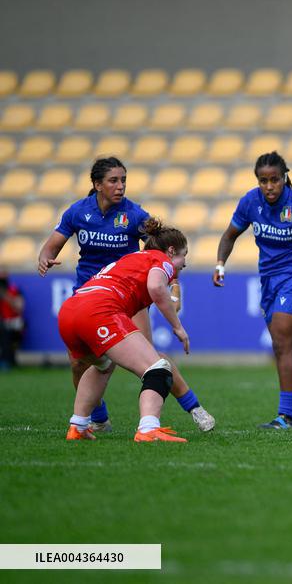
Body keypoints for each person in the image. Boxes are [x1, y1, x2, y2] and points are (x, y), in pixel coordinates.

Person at [38, 157, 214, 432]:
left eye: (123, 181)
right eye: (113, 181)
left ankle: (194, 408)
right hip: (89, 294)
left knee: (151, 357)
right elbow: (51, 247)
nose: (120, 187)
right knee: (80, 364)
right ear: (97, 185)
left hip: (128, 297)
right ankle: (97, 419)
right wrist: (45, 258)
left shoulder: (133, 215)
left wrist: (174, 287)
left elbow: (161, 253)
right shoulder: (78, 213)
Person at [214, 152, 292, 429]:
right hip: (269, 280)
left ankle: (286, 415)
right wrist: (220, 264)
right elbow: (229, 235)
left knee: (281, 342)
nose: (269, 186)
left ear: (284, 178)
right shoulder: (250, 202)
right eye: (263, 180)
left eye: (274, 180)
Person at [61, 218, 191, 442]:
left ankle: (78, 425)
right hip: (98, 311)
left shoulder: (132, 258)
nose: (183, 264)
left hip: (70, 310)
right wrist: (177, 327)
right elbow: (155, 286)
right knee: (158, 369)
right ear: (171, 250)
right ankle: (149, 428)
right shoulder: (161, 259)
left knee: (102, 366)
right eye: (183, 256)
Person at [0, 265, 25, 369]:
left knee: (6, 331)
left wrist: (5, 295)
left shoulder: (14, 290)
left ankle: (7, 361)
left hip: (13, 322)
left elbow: (19, 307)